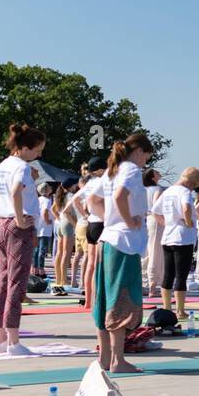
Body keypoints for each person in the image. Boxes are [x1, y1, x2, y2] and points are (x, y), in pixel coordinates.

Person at [0, 124, 47, 354]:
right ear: (26, 148)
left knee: (3, 279)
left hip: (2, 223)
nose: (38, 155)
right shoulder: (21, 167)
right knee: (17, 282)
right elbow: (15, 191)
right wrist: (19, 219)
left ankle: (1, 340)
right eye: (37, 150)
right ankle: (13, 341)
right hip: (18, 224)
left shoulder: (4, 165)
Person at [93, 134, 155, 373]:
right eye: (146, 157)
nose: (145, 163)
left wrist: (109, 219)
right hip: (124, 242)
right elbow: (119, 196)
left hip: (108, 239)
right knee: (122, 299)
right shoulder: (129, 169)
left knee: (104, 299)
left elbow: (92, 199)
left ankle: (105, 358)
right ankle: (117, 360)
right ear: (139, 151)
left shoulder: (113, 169)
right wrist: (128, 221)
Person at [154, 167, 199, 317]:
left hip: (168, 236)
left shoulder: (167, 191)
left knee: (168, 274)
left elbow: (156, 211)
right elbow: (187, 207)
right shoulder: (185, 192)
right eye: (194, 185)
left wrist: (168, 223)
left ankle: (167, 308)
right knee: (181, 275)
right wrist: (188, 222)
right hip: (182, 238)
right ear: (191, 182)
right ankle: (180, 310)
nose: (194, 188)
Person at [78, 156, 108, 309]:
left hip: (91, 224)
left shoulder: (90, 183)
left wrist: (86, 215)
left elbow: (76, 200)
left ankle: (88, 300)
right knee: (99, 265)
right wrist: (105, 216)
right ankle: (96, 300)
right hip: (100, 224)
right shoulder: (102, 181)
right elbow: (91, 200)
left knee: (91, 264)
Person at [142, 169, 166, 297]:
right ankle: (153, 285)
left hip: (145, 219)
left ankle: (147, 282)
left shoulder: (143, 190)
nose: (159, 173)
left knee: (147, 252)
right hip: (155, 220)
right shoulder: (157, 190)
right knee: (155, 252)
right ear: (152, 177)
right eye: (156, 173)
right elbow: (156, 207)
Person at [53, 184, 78, 289]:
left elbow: (53, 209)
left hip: (60, 224)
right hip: (68, 224)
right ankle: (63, 280)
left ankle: (58, 278)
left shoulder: (59, 196)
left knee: (59, 253)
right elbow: (67, 212)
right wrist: (76, 225)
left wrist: (59, 219)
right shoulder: (71, 195)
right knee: (66, 254)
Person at [33, 182, 55, 279]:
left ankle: (35, 268)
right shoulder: (47, 200)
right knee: (42, 250)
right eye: (49, 187)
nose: (51, 188)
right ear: (46, 190)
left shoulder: (38, 199)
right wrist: (47, 220)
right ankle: (41, 269)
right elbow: (45, 211)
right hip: (44, 228)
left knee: (37, 250)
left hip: (37, 226)